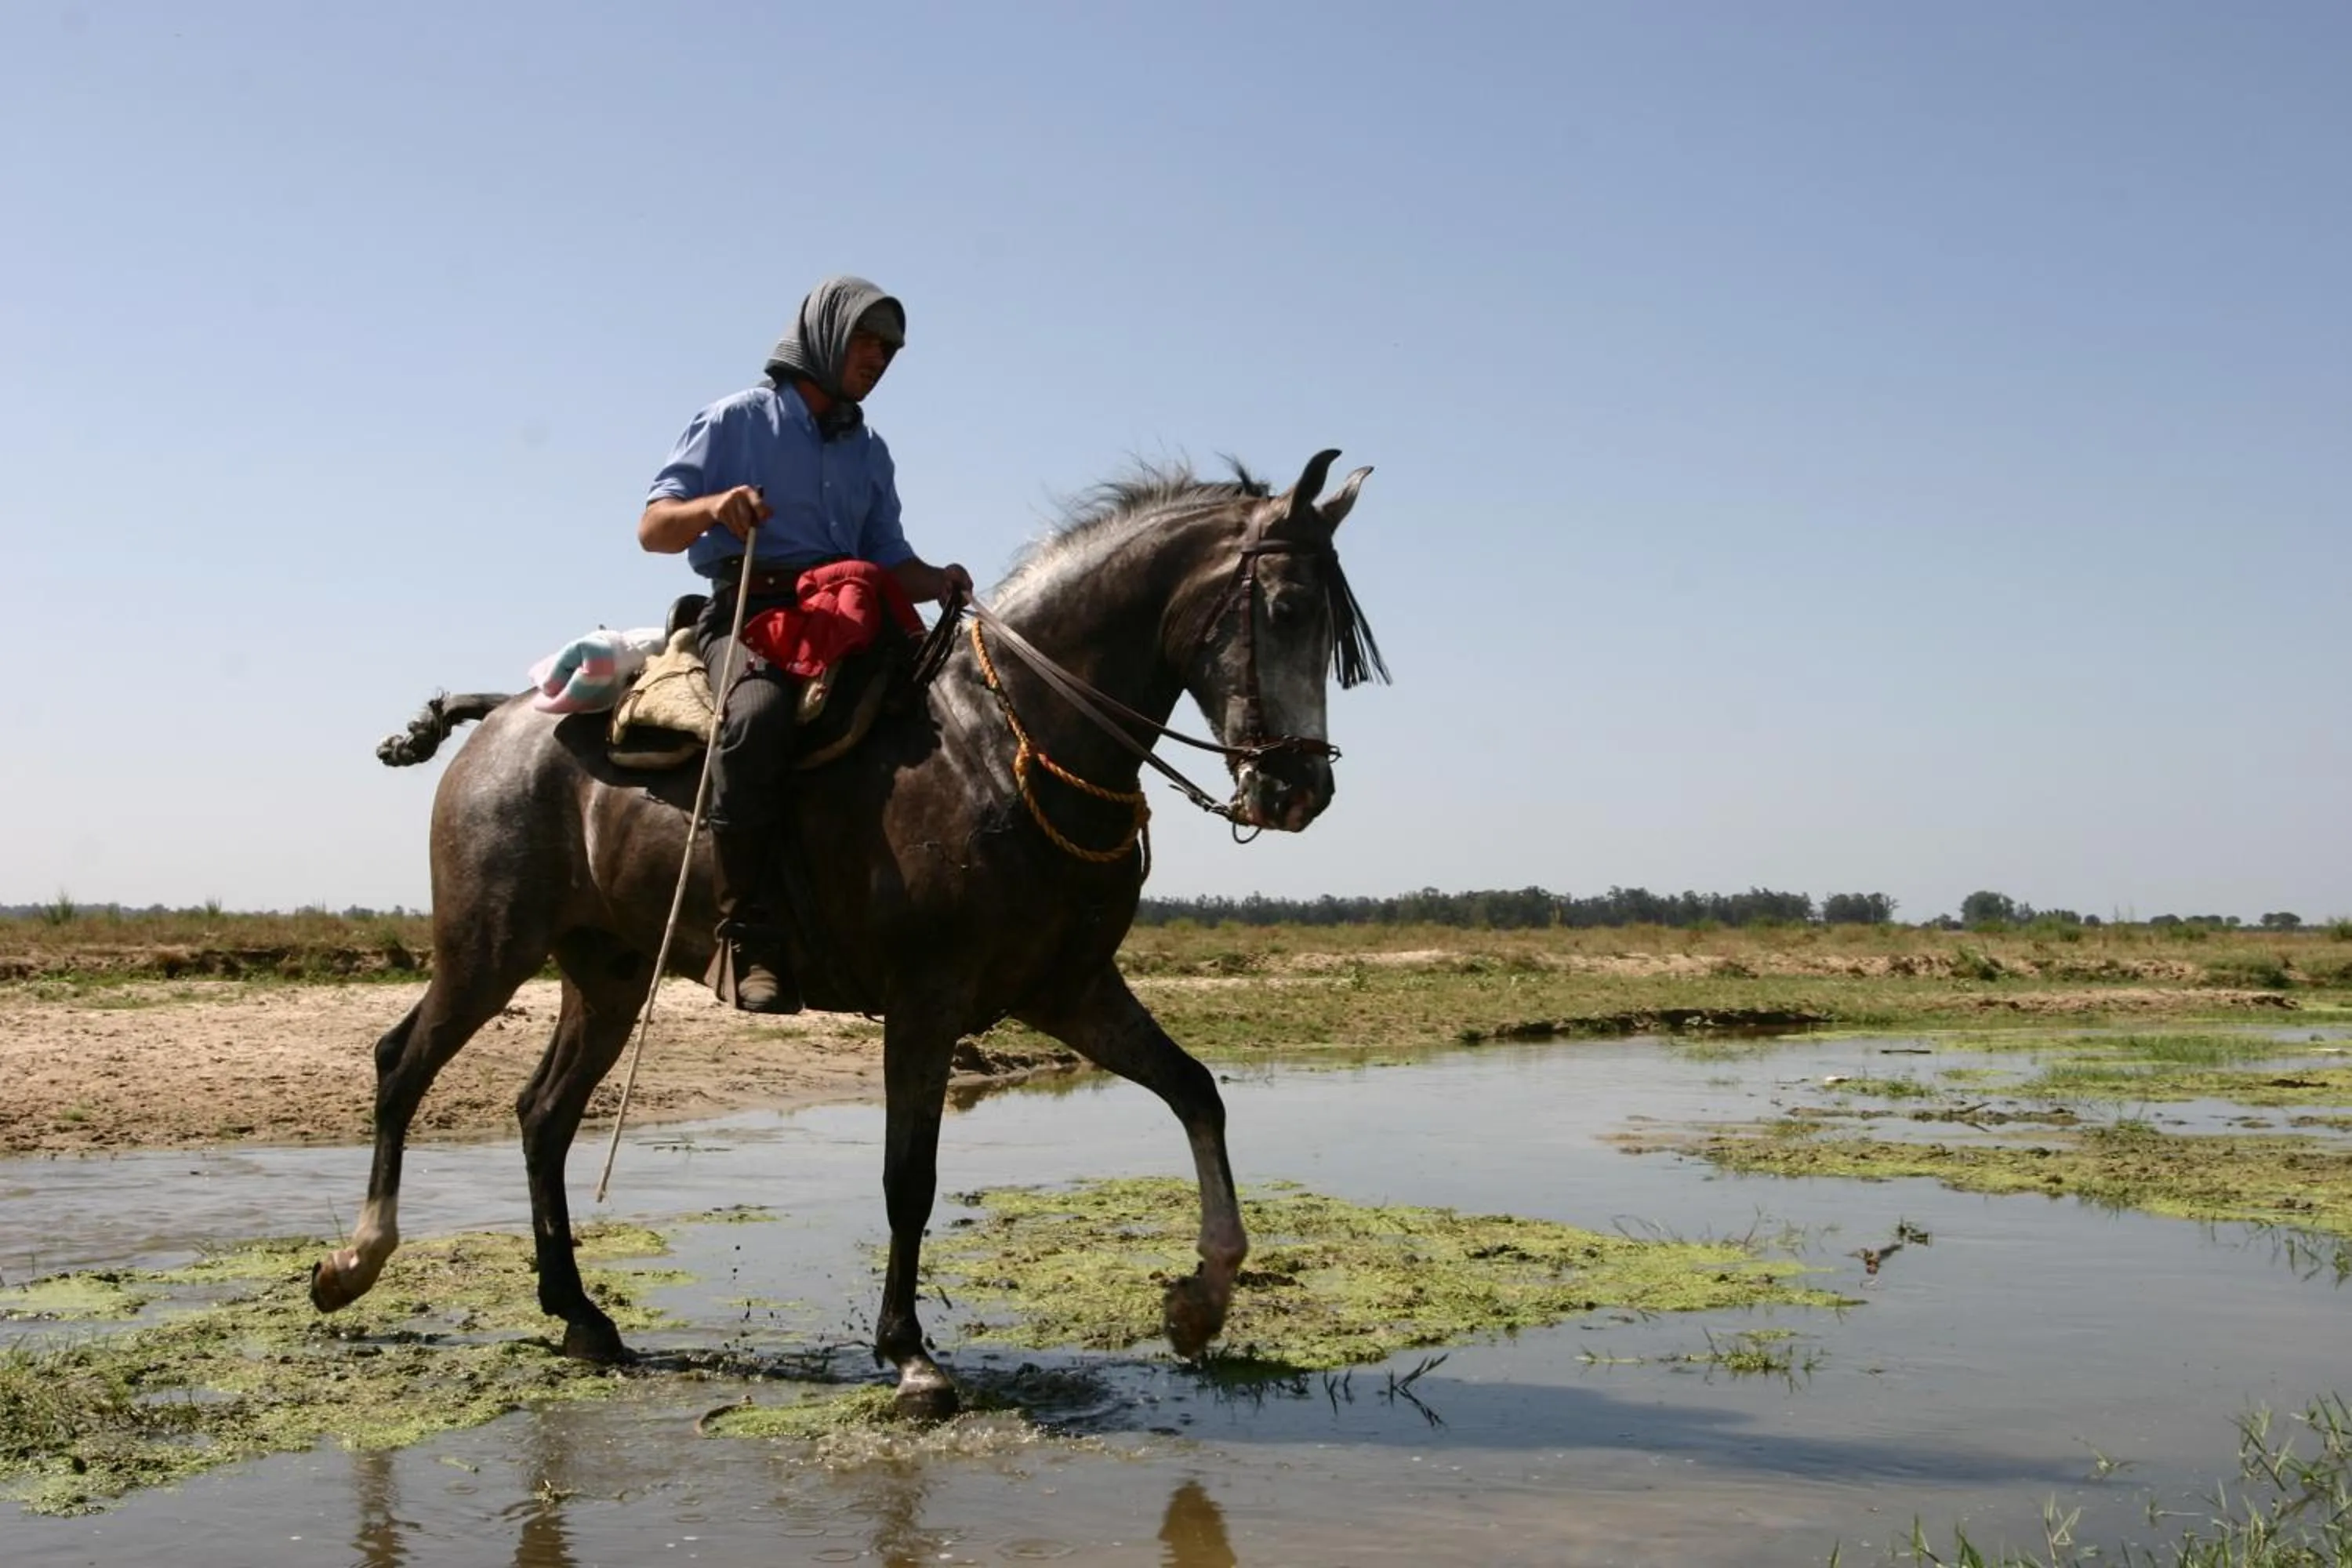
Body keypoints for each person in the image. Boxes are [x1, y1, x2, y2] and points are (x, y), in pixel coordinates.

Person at [638, 274, 972, 1014]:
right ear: (822, 337)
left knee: (943, 717)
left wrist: (940, 577)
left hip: (850, 615)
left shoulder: (871, 451)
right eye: (866, 340)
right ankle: (746, 934)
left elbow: (890, 559)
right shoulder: (733, 421)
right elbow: (653, 528)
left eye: (889, 348)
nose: (879, 357)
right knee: (755, 720)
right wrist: (712, 506)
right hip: (751, 610)